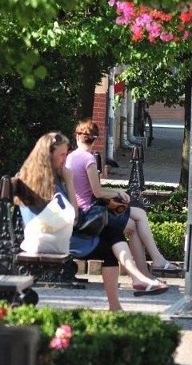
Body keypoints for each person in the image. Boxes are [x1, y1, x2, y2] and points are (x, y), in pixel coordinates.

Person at [15, 132, 167, 312]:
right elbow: (73, 216)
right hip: (54, 241)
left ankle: (132, 285)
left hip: (57, 235)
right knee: (112, 242)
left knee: (113, 233)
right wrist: (70, 182)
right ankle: (128, 290)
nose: (65, 159)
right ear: (48, 154)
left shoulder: (40, 175)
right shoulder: (45, 182)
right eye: (62, 155)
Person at [66, 120, 180, 278]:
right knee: (137, 220)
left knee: (137, 219)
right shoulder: (88, 160)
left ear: (77, 137)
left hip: (84, 211)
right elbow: (97, 192)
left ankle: (149, 269)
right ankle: (151, 267)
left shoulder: (71, 158)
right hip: (91, 214)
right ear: (95, 139)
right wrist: (117, 192)